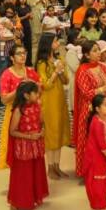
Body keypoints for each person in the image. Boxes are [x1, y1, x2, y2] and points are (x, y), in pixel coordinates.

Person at [72, 41, 106, 178]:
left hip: (105, 109)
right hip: (90, 110)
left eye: (98, 50)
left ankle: (105, 167)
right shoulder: (82, 70)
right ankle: (89, 171)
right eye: (95, 50)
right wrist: (104, 88)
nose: (98, 53)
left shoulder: (103, 67)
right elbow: (86, 93)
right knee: (91, 141)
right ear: (86, 54)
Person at [0, 45, 41, 171]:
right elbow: (4, 99)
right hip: (15, 113)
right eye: (19, 53)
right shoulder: (7, 75)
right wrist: (19, 89)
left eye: (24, 52)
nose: (23, 56)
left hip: (32, 113)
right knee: (16, 147)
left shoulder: (31, 72)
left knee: (33, 146)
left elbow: (39, 91)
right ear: (11, 57)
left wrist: (36, 87)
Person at [6, 82, 48, 210]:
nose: (38, 94)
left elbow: (41, 122)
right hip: (24, 147)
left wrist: (42, 131)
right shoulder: (19, 110)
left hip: (36, 145)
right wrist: (29, 137)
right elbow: (12, 131)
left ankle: (35, 197)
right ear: (26, 95)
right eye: (35, 92)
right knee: (24, 175)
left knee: (36, 172)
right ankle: (20, 201)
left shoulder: (37, 105)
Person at [35, 32, 70, 179]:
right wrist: (55, 72)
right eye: (56, 41)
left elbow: (66, 81)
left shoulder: (59, 58)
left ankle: (57, 166)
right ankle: (50, 167)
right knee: (51, 133)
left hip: (60, 99)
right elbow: (45, 85)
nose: (58, 44)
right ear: (48, 43)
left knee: (60, 131)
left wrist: (61, 72)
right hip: (48, 102)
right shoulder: (41, 63)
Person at [83, 94, 106, 210]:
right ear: (97, 109)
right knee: (98, 179)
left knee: (104, 176)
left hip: (102, 154)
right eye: (105, 105)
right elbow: (101, 144)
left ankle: (103, 198)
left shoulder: (104, 118)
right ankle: (98, 205)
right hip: (96, 155)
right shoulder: (97, 123)